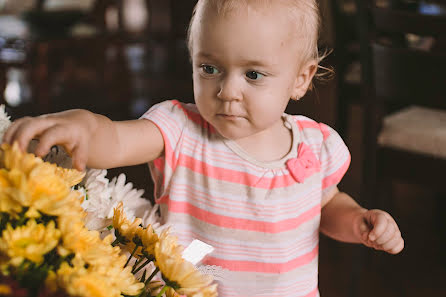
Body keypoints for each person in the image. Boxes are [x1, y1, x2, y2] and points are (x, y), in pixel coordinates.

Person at [3, 0, 404, 296]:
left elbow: (326, 205)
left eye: (253, 74)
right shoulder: (181, 130)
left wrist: (357, 221)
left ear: (301, 79)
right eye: (209, 68)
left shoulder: (315, 146)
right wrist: (85, 127)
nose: (227, 91)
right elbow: (118, 139)